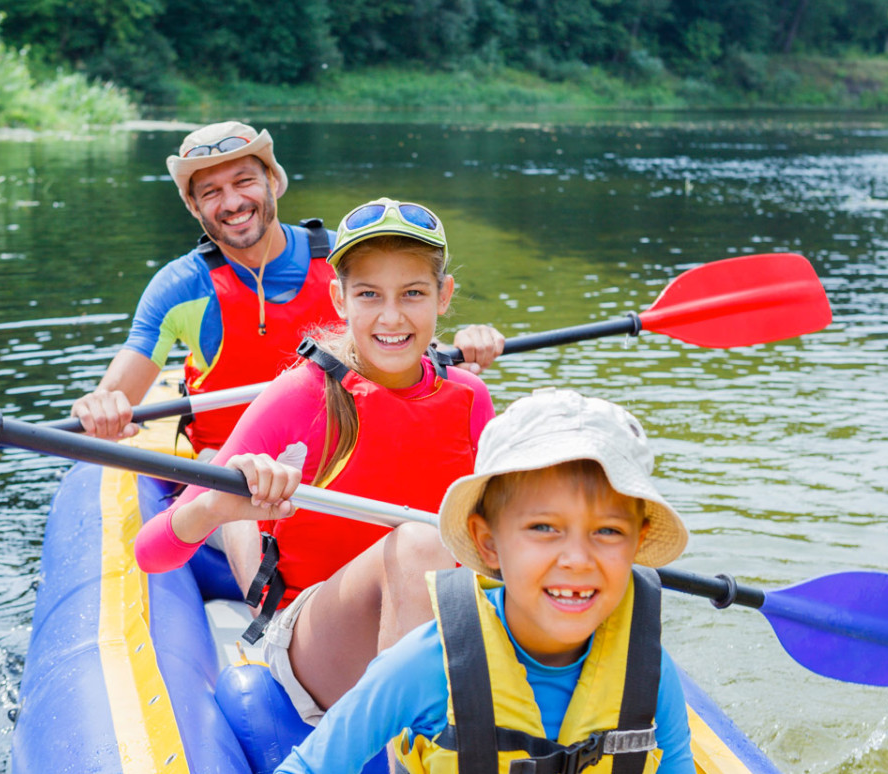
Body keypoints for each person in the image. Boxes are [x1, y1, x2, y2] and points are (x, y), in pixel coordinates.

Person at [135, 198, 496, 719]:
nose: (391, 316)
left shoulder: (469, 398)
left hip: (436, 618)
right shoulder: (298, 397)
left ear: (443, 296)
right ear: (339, 297)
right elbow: (151, 553)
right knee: (419, 544)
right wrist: (216, 507)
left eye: (413, 293)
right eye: (369, 294)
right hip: (314, 637)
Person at [272, 388, 696, 774]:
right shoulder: (427, 665)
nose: (576, 559)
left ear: (636, 545)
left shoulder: (648, 671)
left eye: (608, 531)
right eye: (544, 528)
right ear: (488, 543)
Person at [71, 121, 503, 452]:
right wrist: (99, 407)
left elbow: (408, 330)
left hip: (345, 449)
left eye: (243, 181)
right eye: (211, 192)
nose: (233, 202)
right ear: (193, 206)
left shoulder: (343, 256)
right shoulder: (180, 286)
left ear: (272, 182)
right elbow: (116, 395)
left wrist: (464, 347)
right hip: (231, 467)